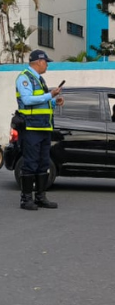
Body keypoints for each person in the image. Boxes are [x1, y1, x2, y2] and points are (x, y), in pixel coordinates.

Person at [15, 49, 64, 210]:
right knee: (30, 163)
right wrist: (50, 95)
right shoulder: (24, 78)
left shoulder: (39, 79)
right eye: (46, 62)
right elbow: (28, 100)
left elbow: (41, 103)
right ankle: (26, 199)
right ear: (38, 62)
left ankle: (41, 197)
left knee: (43, 163)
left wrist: (55, 101)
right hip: (31, 127)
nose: (47, 65)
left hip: (43, 127)